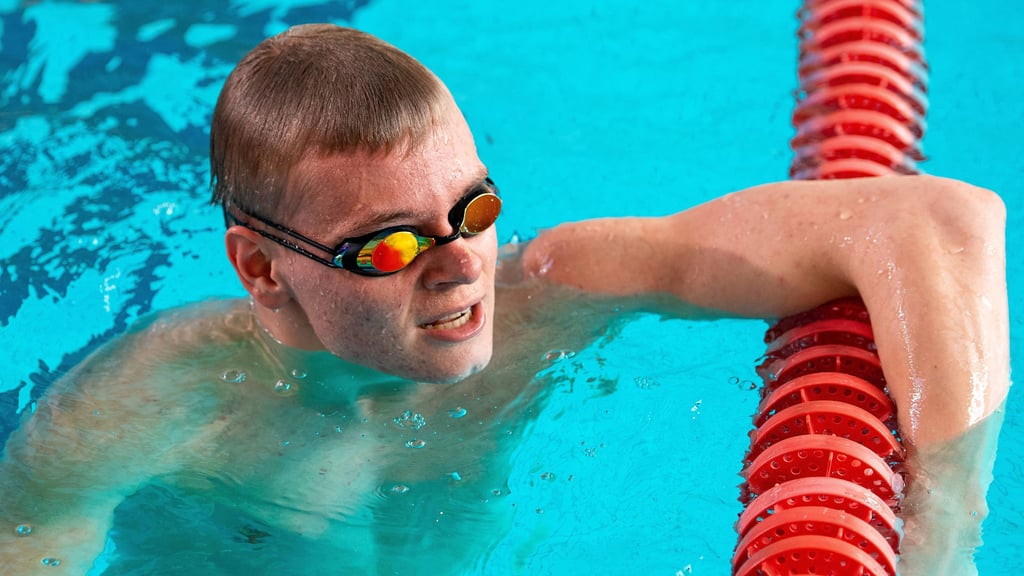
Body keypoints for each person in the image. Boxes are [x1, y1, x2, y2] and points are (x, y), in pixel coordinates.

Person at [0, 23, 1009, 576]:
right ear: (263, 270)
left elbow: (939, 223)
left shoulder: (545, 295)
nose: (459, 267)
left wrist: (941, 535)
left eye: (473, 205)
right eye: (389, 245)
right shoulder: (145, 413)